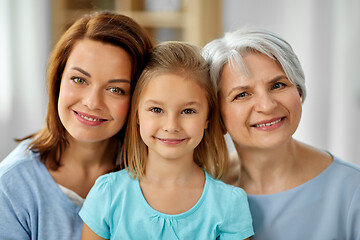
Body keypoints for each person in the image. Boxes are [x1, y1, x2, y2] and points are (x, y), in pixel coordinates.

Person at [0, 11, 153, 239]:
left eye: (115, 89)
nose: (92, 102)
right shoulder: (10, 186)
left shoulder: (155, 174)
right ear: (58, 80)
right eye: (79, 80)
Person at [79, 41, 254, 239]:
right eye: (156, 110)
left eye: (188, 111)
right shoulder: (107, 194)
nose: (171, 126)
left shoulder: (229, 204)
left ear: (207, 117)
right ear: (137, 114)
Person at [201, 27, 360, 239]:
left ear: (299, 90)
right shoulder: (200, 187)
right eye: (242, 94)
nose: (267, 106)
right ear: (216, 115)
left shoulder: (352, 190)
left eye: (278, 85)